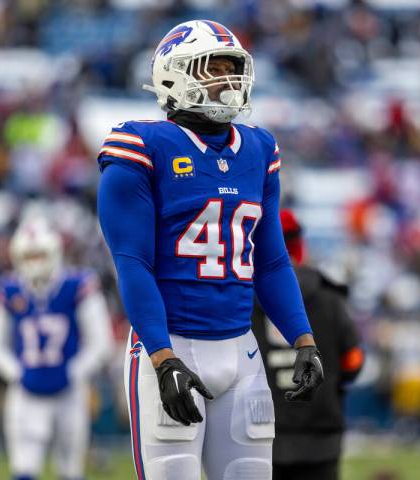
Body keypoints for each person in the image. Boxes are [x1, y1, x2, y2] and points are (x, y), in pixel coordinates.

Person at [97, 20, 324, 480]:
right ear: (174, 75)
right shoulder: (142, 146)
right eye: (211, 68)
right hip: (172, 346)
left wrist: (303, 338)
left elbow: (272, 260)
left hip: (242, 350)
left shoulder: (259, 148)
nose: (227, 80)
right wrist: (163, 359)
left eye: (231, 68)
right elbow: (132, 263)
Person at [0, 217, 113, 480]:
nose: (34, 263)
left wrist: (74, 371)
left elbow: (102, 342)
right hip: (26, 393)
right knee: (24, 468)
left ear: (54, 253)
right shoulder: (10, 289)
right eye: (28, 256)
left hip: (69, 392)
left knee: (70, 470)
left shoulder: (76, 285)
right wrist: (17, 373)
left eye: (39, 255)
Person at [251, 209, 364, 480]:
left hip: (259, 432)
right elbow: (353, 360)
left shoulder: (243, 297)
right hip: (320, 435)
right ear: (300, 245)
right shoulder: (329, 298)